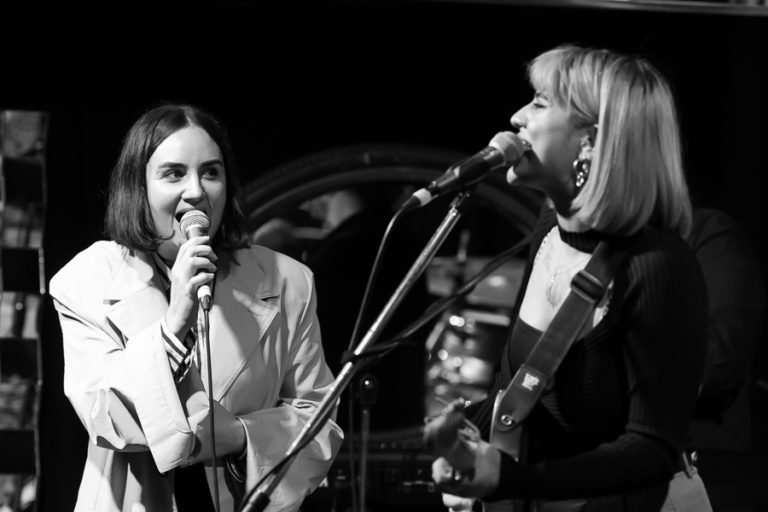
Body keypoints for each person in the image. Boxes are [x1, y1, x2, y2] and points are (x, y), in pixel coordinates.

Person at [429, 45, 711, 511]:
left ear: (591, 141)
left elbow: (651, 449)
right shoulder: (548, 230)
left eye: (540, 103)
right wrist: (467, 441)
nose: (517, 117)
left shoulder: (658, 266)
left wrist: (513, 480)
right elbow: (519, 385)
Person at [49, 103, 343, 512]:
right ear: (139, 186)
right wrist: (174, 324)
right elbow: (106, 418)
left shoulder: (287, 281)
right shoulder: (87, 278)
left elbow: (319, 423)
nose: (196, 191)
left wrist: (239, 435)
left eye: (210, 172)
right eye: (173, 173)